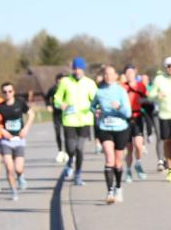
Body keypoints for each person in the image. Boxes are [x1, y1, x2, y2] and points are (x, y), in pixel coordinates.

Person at [53, 57, 97, 186]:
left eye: (79, 69)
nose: (77, 71)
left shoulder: (89, 83)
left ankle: (78, 174)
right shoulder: (65, 82)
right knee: (71, 148)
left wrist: (97, 108)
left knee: (79, 148)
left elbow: (96, 99)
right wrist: (60, 104)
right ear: (72, 69)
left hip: (85, 119)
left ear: (83, 69)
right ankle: (70, 161)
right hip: (69, 120)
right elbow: (57, 98)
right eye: (75, 68)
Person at [92, 65, 132, 204]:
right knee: (109, 159)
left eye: (111, 74)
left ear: (116, 76)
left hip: (121, 128)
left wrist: (119, 107)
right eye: (106, 74)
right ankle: (109, 192)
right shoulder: (99, 92)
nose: (108, 76)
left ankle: (118, 188)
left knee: (118, 162)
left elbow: (128, 113)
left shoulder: (121, 91)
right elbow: (92, 106)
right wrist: (95, 111)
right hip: (105, 128)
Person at [0, 81, 35, 201]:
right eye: (5, 92)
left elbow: (31, 114)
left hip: (19, 140)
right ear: (2, 93)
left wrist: (26, 129)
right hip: (6, 141)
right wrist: (2, 130)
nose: (7, 93)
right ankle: (13, 191)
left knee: (18, 168)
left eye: (10, 91)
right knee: (9, 168)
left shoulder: (20, 102)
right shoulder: (0, 106)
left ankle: (21, 176)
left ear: (13, 92)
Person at [122, 64, 148, 181]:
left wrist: (143, 101)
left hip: (138, 117)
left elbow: (147, 100)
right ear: (125, 75)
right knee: (129, 148)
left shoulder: (141, 86)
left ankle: (138, 163)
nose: (129, 75)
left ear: (135, 73)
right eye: (127, 73)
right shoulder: (122, 87)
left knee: (138, 145)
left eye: (131, 73)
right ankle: (128, 171)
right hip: (125, 119)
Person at [47, 73, 68, 164]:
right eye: (59, 81)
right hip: (56, 114)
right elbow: (46, 98)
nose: (60, 83)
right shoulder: (52, 89)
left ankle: (68, 152)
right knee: (58, 133)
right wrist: (48, 105)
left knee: (67, 134)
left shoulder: (67, 89)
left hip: (66, 114)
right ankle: (60, 151)